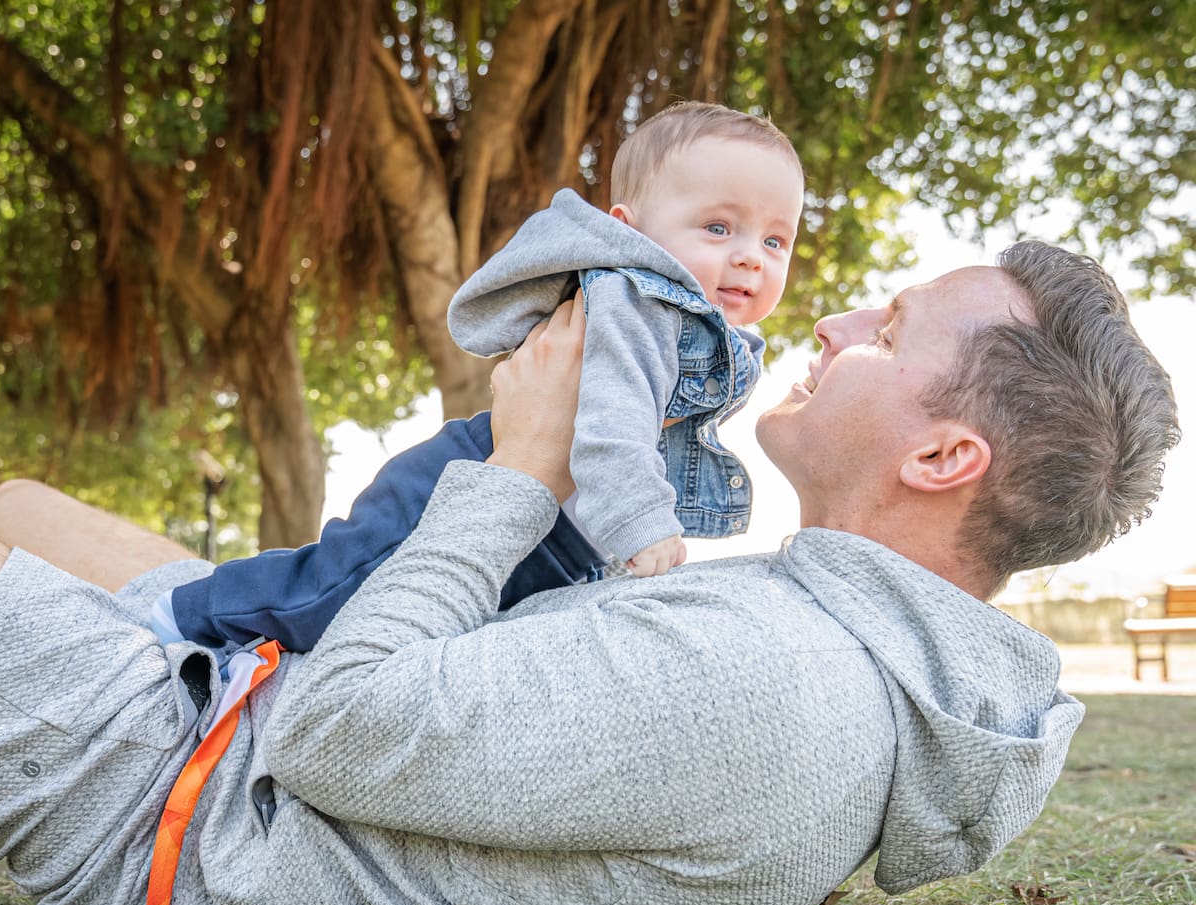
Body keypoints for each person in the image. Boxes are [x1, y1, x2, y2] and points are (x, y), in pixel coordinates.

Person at [0, 243, 1179, 905]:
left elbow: (334, 733)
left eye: (888, 330)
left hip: (167, 798)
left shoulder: (777, 685)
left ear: (942, 458)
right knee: (12, 513)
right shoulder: (811, 637)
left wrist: (521, 471)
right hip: (225, 720)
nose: (830, 324)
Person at [158, 102, 804, 655]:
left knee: (425, 637)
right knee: (330, 592)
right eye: (718, 227)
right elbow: (613, 422)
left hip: (555, 534)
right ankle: (185, 615)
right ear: (628, 231)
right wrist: (643, 524)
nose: (750, 254)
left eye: (775, 241)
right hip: (475, 481)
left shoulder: (715, 338)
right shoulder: (641, 306)